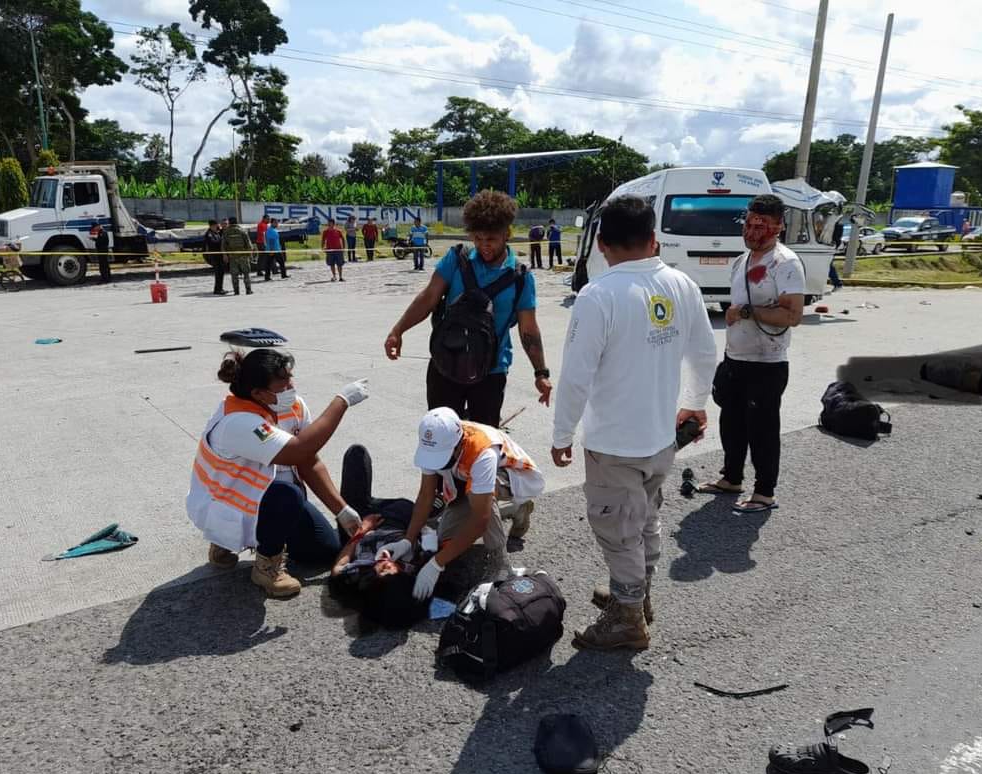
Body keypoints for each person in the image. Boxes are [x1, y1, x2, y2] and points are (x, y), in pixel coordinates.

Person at [550, 196, 717, 651]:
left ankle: (627, 619)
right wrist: (694, 404)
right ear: (654, 239)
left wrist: (562, 434)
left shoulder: (599, 295)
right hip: (661, 438)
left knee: (618, 527)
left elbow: (576, 375)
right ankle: (636, 596)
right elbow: (705, 355)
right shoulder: (682, 284)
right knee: (642, 518)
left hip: (614, 444)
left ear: (601, 244)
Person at [186, 348, 370, 597]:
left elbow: (308, 460)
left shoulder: (289, 405)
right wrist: (341, 402)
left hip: (265, 498)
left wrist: (342, 510)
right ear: (258, 393)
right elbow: (298, 451)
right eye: (282, 383)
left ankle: (262, 535)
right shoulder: (237, 422)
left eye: (289, 377)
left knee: (323, 551)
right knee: (287, 494)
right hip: (229, 506)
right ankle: (264, 565)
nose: (290, 387)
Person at [384, 190, 552, 428]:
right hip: (445, 363)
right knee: (440, 440)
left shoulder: (520, 278)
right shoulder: (457, 258)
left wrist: (541, 373)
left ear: (507, 234)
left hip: (491, 371)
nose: (484, 246)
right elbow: (429, 297)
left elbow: (529, 329)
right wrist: (397, 330)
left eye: (491, 239)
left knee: (483, 444)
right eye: (478, 238)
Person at [698, 194, 804, 513]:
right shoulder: (741, 261)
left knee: (762, 428)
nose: (753, 231)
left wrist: (745, 312)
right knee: (731, 423)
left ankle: (764, 492)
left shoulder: (785, 263)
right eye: (749, 223)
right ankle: (731, 478)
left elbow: (793, 315)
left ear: (778, 227)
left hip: (767, 364)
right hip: (736, 358)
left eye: (762, 225)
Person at [376, 407, 544, 603]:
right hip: (468, 481)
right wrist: (407, 540)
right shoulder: (435, 442)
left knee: (482, 504)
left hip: (515, 477)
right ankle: (516, 509)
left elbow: (481, 519)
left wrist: (436, 564)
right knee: (446, 537)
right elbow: (425, 495)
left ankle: (500, 565)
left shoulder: (483, 452)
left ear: (457, 445)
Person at [221, 216, 253, 295]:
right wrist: (250, 255)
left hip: (232, 256)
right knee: (246, 273)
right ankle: (248, 290)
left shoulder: (226, 232)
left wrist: (225, 255)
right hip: (243, 256)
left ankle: (236, 291)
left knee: (234, 275)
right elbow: (249, 245)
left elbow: (223, 246)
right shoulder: (242, 231)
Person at [203, 220, 227, 295]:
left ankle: (220, 288)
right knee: (218, 273)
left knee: (221, 273)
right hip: (215, 257)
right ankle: (217, 289)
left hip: (219, 256)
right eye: (215, 226)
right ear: (211, 226)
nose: (217, 227)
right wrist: (221, 241)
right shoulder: (209, 234)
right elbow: (212, 243)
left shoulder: (215, 232)